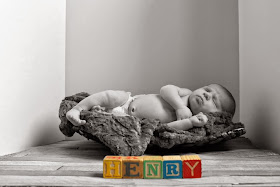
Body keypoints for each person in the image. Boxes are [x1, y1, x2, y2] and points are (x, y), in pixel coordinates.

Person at [66, 84, 235, 131]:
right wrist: (178, 107)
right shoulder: (185, 94)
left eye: (214, 101)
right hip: (128, 102)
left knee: (109, 124)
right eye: (207, 90)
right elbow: (166, 89)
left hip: (130, 122)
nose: (206, 95)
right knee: (110, 95)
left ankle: (98, 113)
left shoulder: (190, 121)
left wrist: (190, 122)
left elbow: (166, 128)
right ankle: (78, 108)